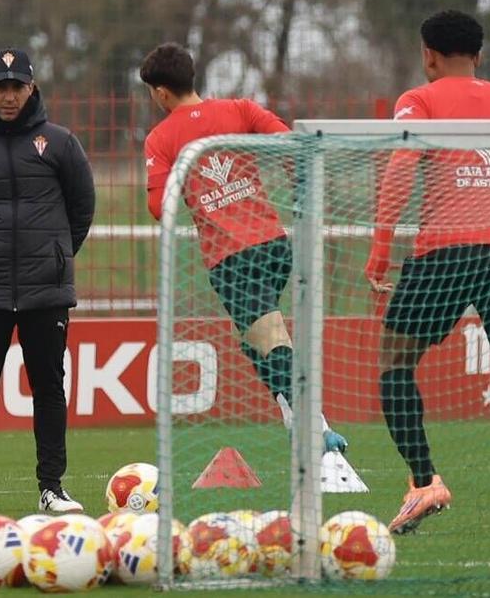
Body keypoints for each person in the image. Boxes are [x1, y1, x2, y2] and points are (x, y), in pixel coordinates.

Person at [364, 10, 490, 536]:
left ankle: (424, 481)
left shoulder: (420, 99)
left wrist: (381, 248)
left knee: (394, 360)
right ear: (479, 56)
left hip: (444, 254)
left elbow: (401, 168)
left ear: (428, 55)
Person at [138, 42, 348, 454]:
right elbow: (294, 149)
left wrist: (190, 186)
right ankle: (292, 417)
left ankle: (317, 428)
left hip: (230, 258)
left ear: (160, 92)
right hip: (274, 244)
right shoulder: (241, 110)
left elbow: (158, 207)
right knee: (257, 338)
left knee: (268, 337)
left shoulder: (161, 138)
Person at [0, 47, 95, 514]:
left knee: (48, 387)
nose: (9, 96)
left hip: (46, 290)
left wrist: (54, 256)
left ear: (32, 89)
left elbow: (81, 210)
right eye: (0, 87)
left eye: (17, 87)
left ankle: (52, 487)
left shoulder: (61, 143)